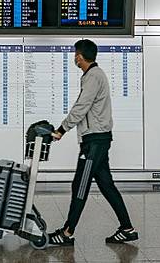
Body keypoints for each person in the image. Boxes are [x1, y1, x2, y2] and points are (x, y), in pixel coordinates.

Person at [48, 39, 138, 246]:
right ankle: (127, 229)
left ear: (80, 56)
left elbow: (81, 107)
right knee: (106, 186)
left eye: (75, 55)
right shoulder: (93, 75)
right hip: (97, 139)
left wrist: (61, 129)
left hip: (95, 142)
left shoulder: (93, 76)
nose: (74, 58)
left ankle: (67, 232)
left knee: (80, 184)